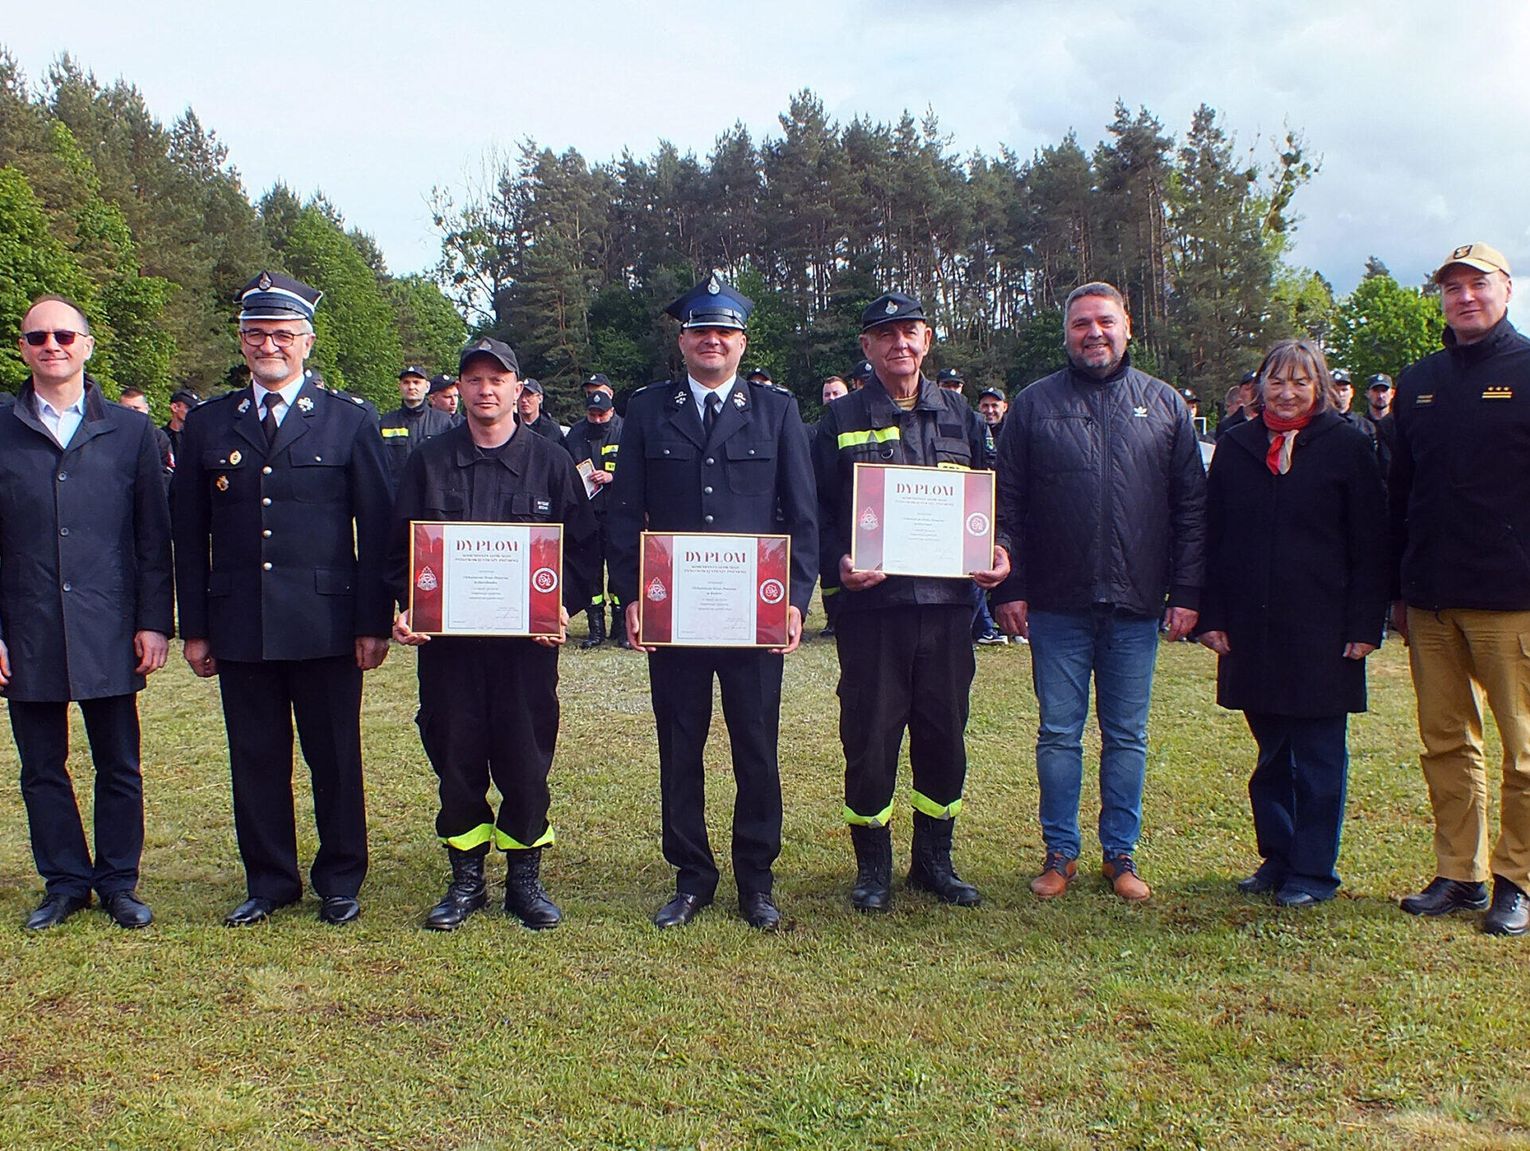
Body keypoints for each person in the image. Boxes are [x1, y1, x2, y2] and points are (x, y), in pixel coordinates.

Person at [171, 271, 393, 928]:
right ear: (242, 343)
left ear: (308, 342)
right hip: (240, 620)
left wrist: (371, 621)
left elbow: (376, 528)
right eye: (258, 333)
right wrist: (196, 626)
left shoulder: (348, 420)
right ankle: (269, 879)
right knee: (256, 756)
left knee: (335, 756)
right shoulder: (208, 424)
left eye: (284, 334)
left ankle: (340, 878)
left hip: (326, 621)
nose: (271, 344)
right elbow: (189, 532)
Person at [608, 273, 817, 930]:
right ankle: (692, 874)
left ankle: (756, 878)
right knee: (680, 744)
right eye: (700, 329)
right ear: (683, 339)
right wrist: (633, 597)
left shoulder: (777, 410)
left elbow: (803, 516)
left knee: (756, 744)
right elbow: (622, 513)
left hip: (752, 615)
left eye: (724, 330)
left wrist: (797, 599)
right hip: (674, 614)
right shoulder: (647, 410)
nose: (712, 341)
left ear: (742, 341)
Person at [993, 281, 1206, 903]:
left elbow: (1191, 508)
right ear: (1066, 333)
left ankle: (1121, 855)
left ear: (1128, 327)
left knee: (1128, 735)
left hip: (1137, 605)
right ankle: (1060, 853)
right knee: (1058, 733)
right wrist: (1012, 586)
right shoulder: (1032, 407)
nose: (1094, 333)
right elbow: (1007, 505)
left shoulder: (1165, 406)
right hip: (1057, 605)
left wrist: (1186, 590)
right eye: (1082, 323)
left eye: (1105, 322)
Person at [389, 337, 598, 930]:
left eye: (498, 380)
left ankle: (525, 879)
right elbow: (396, 545)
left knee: (526, 759)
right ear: (458, 390)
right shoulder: (428, 461)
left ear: (517, 389)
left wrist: (564, 607)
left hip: (525, 652)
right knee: (455, 757)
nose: (486, 390)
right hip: (448, 651)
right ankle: (466, 880)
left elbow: (583, 550)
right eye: (475, 380)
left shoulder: (552, 462)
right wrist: (406, 606)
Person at [814, 292, 1010, 913]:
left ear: (928, 340)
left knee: (943, 733)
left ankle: (934, 860)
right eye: (886, 334)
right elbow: (813, 510)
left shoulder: (962, 415)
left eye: (911, 332)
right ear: (867, 346)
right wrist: (837, 565)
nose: (900, 343)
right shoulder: (840, 419)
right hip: (873, 613)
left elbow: (993, 499)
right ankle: (872, 867)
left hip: (950, 610)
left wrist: (999, 547)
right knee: (870, 738)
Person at [1, 295, 173, 931]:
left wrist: (155, 620)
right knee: (42, 767)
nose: (52, 346)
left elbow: (153, 539)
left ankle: (118, 881)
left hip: (108, 624)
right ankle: (65, 881)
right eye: (38, 337)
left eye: (64, 335)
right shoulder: (1, 427)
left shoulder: (130, 433)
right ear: (22, 347)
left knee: (119, 764)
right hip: (29, 626)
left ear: (87, 344)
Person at [1198, 340, 1387, 906]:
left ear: (1320, 388)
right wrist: (1214, 615)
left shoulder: (1349, 446)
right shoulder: (1237, 446)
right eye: (1276, 381)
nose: (1286, 393)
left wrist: (1363, 624)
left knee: (1320, 757)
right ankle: (1277, 857)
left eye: (1300, 382)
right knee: (1272, 754)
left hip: (1325, 630)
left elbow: (1371, 543)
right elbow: (1215, 536)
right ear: (1259, 387)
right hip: (1254, 630)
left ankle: (1313, 872)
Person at [1390, 242, 1530, 936]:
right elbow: (1398, 494)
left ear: (1506, 289)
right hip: (1433, 598)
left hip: (1514, 598)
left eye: (1477, 285)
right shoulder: (1420, 381)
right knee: (1446, 741)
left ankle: (1516, 878)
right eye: (1452, 288)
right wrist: (1397, 585)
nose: (1464, 297)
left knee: (1523, 747)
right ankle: (1460, 873)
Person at [562, 389, 624, 649]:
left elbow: (637, 470)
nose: (598, 420)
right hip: (587, 513)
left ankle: (621, 630)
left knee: (620, 570)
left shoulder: (626, 431)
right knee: (591, 571)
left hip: (618, 511)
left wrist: (612, 477)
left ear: (612, 411)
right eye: (592, 414)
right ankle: (595, 630)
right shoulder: (576, 434)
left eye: (603, 414)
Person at [380, 365, 454, 482]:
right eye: (406, 382)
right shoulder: (386, 422)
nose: (411, 387)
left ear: (427, 386)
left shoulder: (442, 422)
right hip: (396, 495)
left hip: (431, 494)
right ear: (399, 386)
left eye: (416, 382)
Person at [119, 387, 175, 486]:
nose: (133, 413)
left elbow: (167, 473)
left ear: (147, 408)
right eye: (127, 409)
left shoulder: (158, 438)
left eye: (136, 408)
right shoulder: (111, 437)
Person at [1216, 369, 1259, 440]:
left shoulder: (1276, 422)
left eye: (1257, 388)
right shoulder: (1226, 426)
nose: (1254, 393)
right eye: (1248, 388)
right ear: (1240, 392)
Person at [1365, 373, 1395, 476]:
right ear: (1367, 393)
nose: (1380, 395)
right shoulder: (1358, 426)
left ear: (1392, 394)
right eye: (1376, 391)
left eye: (1384, 390)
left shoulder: (1400, 426)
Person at [165, 388, 199, 463]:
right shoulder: (160, 436)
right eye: (188, 408)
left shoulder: (198, 437)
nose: (192, 412)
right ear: (175, 407)